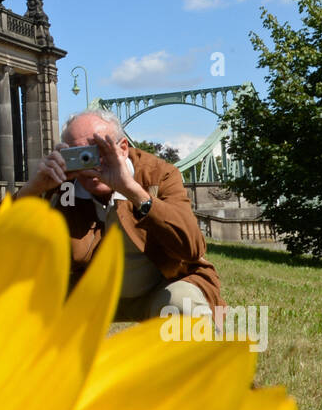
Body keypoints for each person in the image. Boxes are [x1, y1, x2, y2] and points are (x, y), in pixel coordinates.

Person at [15, 108, 221, 323]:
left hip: (163, 285)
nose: (90, 163)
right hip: (93, 293)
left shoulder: (159, 174)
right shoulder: (61, 185)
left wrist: (131, 190)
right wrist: (33, 188)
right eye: (79, 155)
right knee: (18, 301)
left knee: (182, 306)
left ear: (123, 148)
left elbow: (192, 247)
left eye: (98, 151)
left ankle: (204, 354)